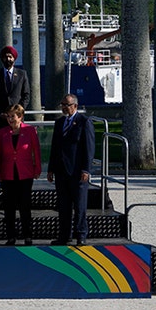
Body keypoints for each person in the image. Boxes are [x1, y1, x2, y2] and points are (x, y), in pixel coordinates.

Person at [48, 94, 95, 246]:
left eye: (66, 104)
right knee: (63, 206)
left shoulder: (84, 122)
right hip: (62, 171)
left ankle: (81, 234)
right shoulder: (59, 123)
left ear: (75, 106)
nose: (63, 107)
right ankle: (64, 235)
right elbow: (55, 147)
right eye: (62, 104)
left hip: (77, 171)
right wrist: (51, 169)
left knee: (80, 205)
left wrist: (86, 170)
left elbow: (89, 148)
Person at [0, 104, 41, 245]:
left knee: (24, 206)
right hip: (8, 174)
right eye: (8, 116)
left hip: (25, 174)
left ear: (20, 117)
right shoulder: (2, 132)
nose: (10, 119)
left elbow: (36, 151)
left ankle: (27, 235)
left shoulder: (30, 131)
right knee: (9, 207)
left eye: (12, 116)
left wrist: (37, 169)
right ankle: (11, 236)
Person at [0, 46, 30, 130]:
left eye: (10, 57)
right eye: (6, 57)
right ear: (2, 59)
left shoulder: (22, 74)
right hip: (1, 119)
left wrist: (18, 111)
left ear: (14, 59)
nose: (8, 59)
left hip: (17, 119)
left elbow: (26, 95)